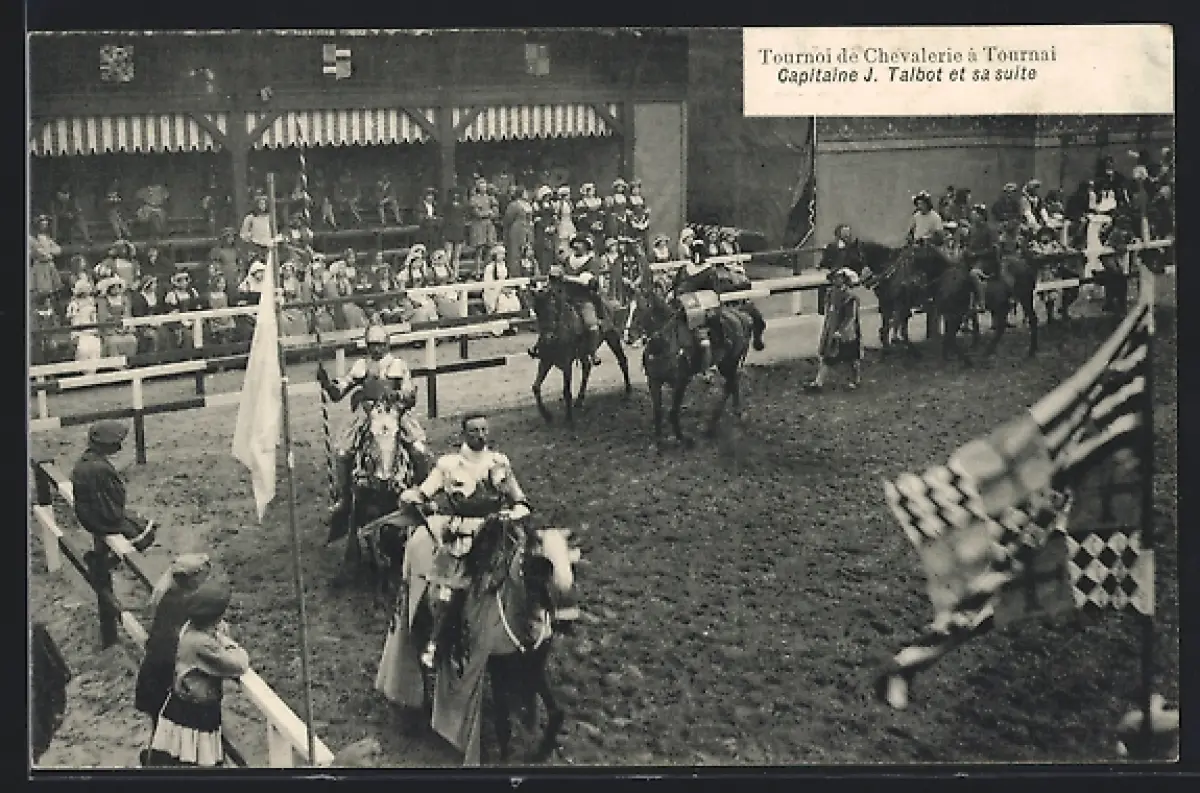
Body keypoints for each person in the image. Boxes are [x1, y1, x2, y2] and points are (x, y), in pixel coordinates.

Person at [399, 412, 533, 670]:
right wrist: (413, 497)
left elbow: (520, 500)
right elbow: (424, 492)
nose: (480, 436)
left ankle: (529, 628)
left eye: (484, 430)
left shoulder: (499, 463)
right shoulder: (449, 466)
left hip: (497, 531)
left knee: (527, 572)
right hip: (462, 535)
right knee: (449, 590)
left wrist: (514, 512)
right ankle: (437, 642)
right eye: (474, 431)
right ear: (463, 434)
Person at [318, 323, 428, 522]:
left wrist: (399, 395)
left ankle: (422, 493)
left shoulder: (398, 365)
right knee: (343, 452)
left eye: (380, 344)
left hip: (395, 412)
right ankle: (344, 498)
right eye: (372, 345)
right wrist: (327, 383)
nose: (376, 349)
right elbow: (339, 392)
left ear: (387, 344)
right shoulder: (361, 366)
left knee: (419, 450)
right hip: (367, 413)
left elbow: (410, 393)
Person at [144, 572, 249, 767]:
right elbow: (240, 664)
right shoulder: (202, 644)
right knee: (196, 763)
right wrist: (230, 644)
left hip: (182, 708)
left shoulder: (189, 629)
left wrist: (217, 633)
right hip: (193, 716)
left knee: (179, 760)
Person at [135, 554, 214, 748]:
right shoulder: (187, 604)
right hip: (167, 672)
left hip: (155, 669)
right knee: (169, 729)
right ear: (192, 578)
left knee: (160, 726)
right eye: (203, 576)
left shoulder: (169, 596)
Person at [71, 421, 158, 578]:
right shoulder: (101, 468)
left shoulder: (83, 461)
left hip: (88, 515)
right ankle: (105, 564)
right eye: (116, 443)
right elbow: (115, 499)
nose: (119, 447)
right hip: (102, 518)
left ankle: (102, 559)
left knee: (131, 521)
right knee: (143, 532)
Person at [532, 234, 608, 365]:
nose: (576, 245)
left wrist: (566, 278)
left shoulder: (592, 262)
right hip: (566, 297)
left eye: (580, 243)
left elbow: (586, 280)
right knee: (550, 317)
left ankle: (592, 352)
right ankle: (539, 346)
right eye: (575, 243)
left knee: (591, 323)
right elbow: (556, 273)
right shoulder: (568, 260)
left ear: (586, 246)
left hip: (583, 298)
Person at [805, 268, 863, 391]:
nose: (835, 280)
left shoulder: (850, 297)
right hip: (832, 331)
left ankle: (856, 379)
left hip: (847, 334)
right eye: (834, 278)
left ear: (845, 280)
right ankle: (818, 382)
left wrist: (841, 331)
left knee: (852, 358)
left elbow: (850, 317)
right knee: (827, 357)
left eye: (839, 278)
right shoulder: (831, 293)